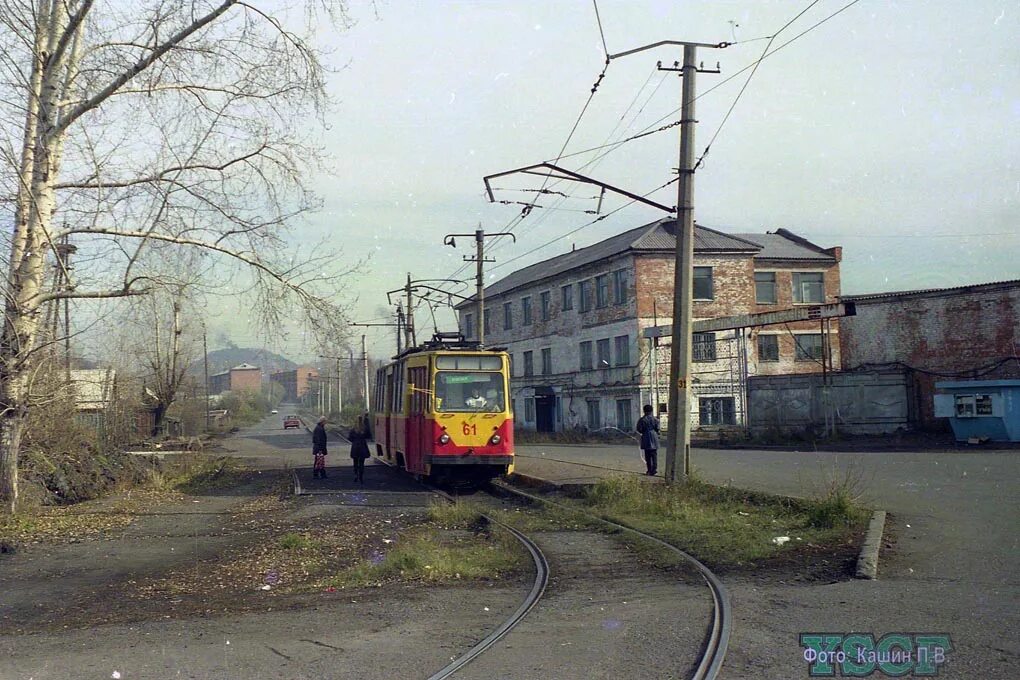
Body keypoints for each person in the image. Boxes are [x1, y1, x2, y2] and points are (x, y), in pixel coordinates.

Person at [636, 404, 659, 476]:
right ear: (651, 411)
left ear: (644, 411)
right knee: (654, 454)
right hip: (654, 436)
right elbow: (658, 428)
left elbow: (639, 429)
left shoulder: (642, 420)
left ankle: (649, 470)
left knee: (647, 455)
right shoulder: (655, 419)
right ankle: (654, 469)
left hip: (646, 437)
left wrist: (644, 432)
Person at [348, 414, 372, 484]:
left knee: (355, 462)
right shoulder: (364, 428)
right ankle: (361, 477)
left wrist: (354, 441)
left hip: (355, 447)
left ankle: (356, 475)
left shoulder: (353, 429)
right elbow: (369, 436)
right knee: (361, 463)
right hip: (362, 447)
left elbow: (349, 438)